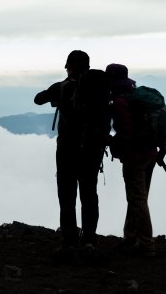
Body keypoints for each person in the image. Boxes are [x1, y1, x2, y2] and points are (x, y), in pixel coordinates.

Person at [34, 50, 107, 258]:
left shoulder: (61, 87)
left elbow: (38, 99)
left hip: (67, 150)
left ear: (69, 66)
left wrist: (59, 92)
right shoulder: (98, 87)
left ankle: (69, 241)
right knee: (89, 194)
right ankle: (90, 240)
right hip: (92, 151)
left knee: (67, 197)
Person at [106, 63, 157, 257]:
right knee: (138, 199)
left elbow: (126, 131)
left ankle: (146, 244)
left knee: (137, 200)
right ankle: (131, 238)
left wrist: (113, 141)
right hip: (151, 154)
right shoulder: (137, 96)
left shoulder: (120, 102)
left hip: (135, 156)